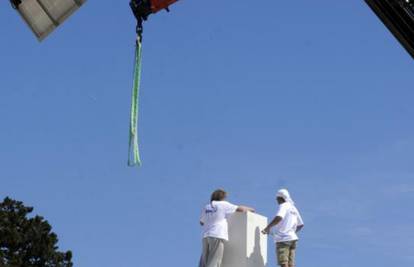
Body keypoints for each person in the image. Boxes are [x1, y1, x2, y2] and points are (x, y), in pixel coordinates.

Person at [199, 189, 255, 267]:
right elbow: (240, 209)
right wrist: (252, 209)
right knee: (215, 260)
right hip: (217, 234)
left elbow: (201, 222)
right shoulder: (223, 204)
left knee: (205, 261)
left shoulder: (207, 207)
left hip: (206, 236)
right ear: (223, 197)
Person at [262, 189, 304, 267]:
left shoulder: (284, 205)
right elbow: (301, 224)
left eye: (277, 198)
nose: (276, 200)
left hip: (283, 239)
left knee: (284, 263)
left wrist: (268, 227)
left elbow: (279, 217)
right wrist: (292, 232)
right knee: (291, 264)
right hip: (293, 239)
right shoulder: (293, 208)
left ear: (281, 198)